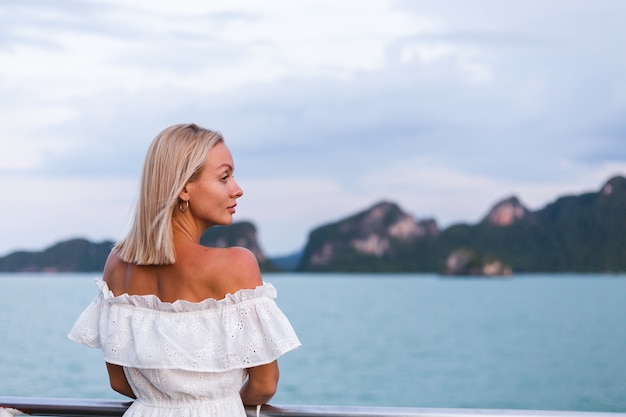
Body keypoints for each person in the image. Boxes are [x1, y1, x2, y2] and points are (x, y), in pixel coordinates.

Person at [68, 123, 301, 417]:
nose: (237, 190)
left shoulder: (116, 263)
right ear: (184, 188)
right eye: (225, 177)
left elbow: (119, 381)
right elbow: (264, 385)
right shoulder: (236, 265)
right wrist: (216, 404)